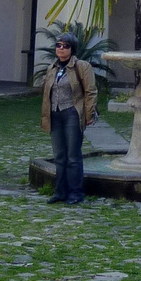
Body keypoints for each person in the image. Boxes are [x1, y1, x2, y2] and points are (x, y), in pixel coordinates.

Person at [39, 34, 98, 204]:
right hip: (54, 114)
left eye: (65, 46)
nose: (61, 49)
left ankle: (76, 193)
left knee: (73, 155)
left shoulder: (82, 66)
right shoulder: (52, 67)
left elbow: (90, 91)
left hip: (72, 112)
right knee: (59, 155)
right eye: (58, 45)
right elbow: (46, 93)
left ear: (72, 49)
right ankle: (60, 192)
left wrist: (88, 114)